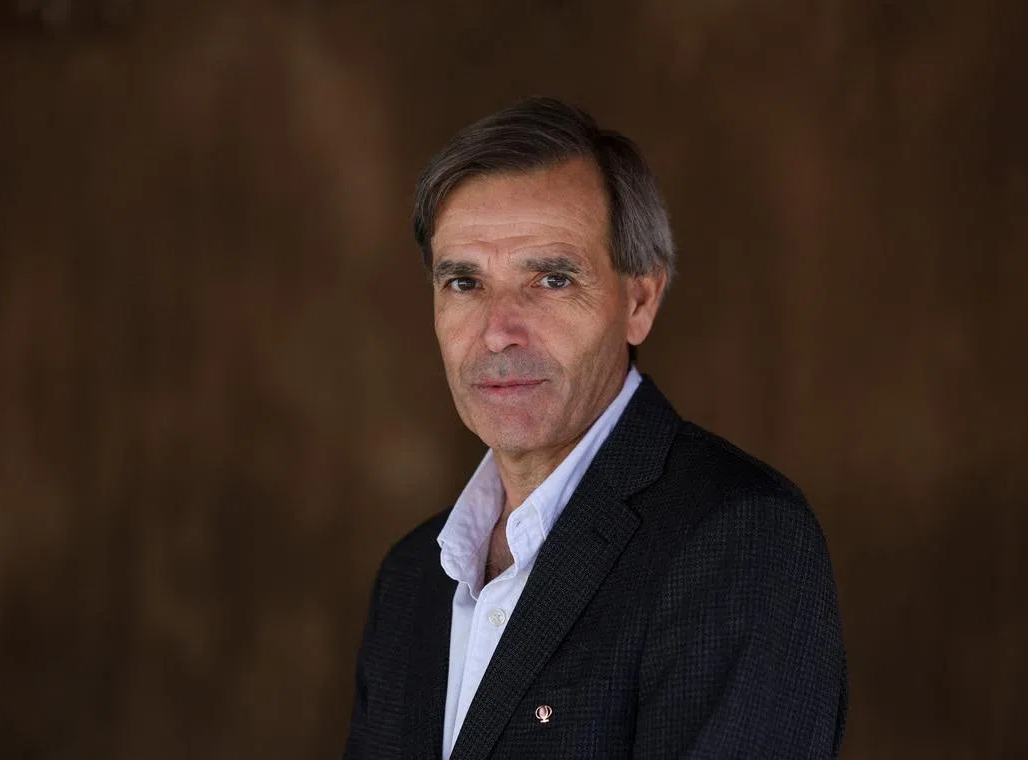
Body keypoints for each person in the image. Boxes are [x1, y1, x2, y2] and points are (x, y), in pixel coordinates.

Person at [344, 97, 847, 759]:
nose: (497, 331)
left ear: (640, 301)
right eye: (464, 282)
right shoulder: (414, 577)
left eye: (551, 279)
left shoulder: (740, 538)